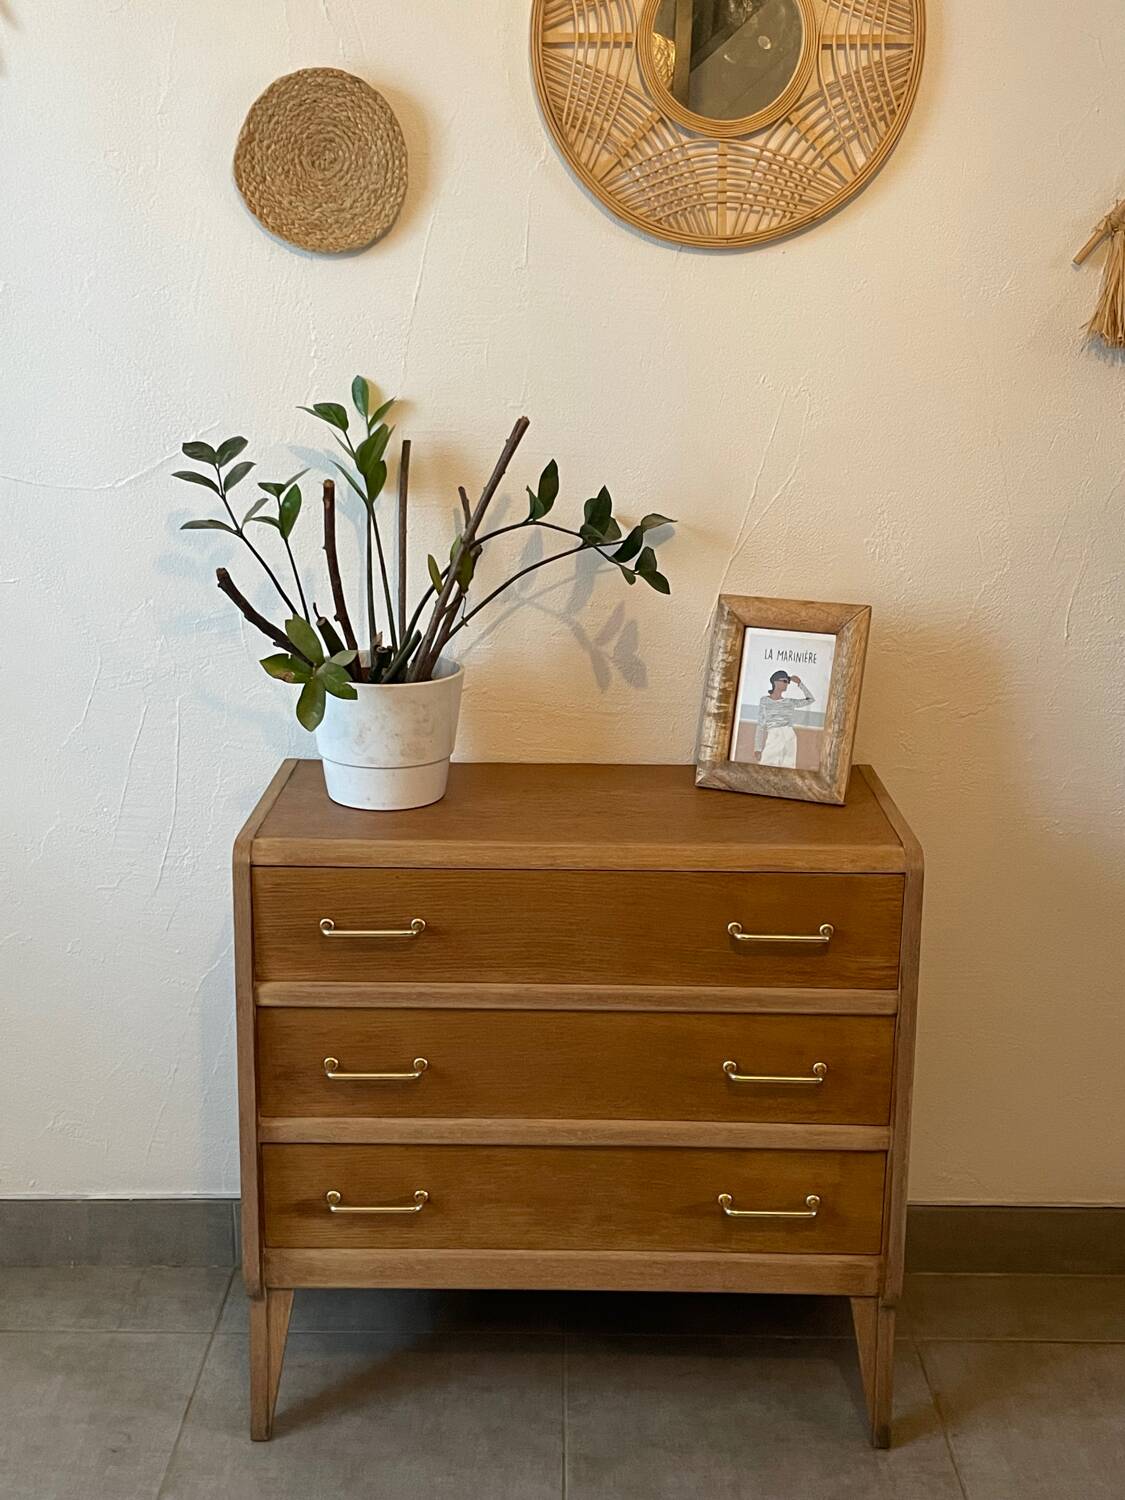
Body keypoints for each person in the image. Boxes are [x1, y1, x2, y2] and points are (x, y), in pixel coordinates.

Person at [754, 670, 814, 767]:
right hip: (774, 736)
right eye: (785, 681)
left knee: (788, 768)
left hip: (789, 736)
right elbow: (760, 725)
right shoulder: (764, 700)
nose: (787, 684)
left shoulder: (789, 702)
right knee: (766, 766)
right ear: (775, 682)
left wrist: (800, 684)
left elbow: (811, 699)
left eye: (788, 682)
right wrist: (758, 748)